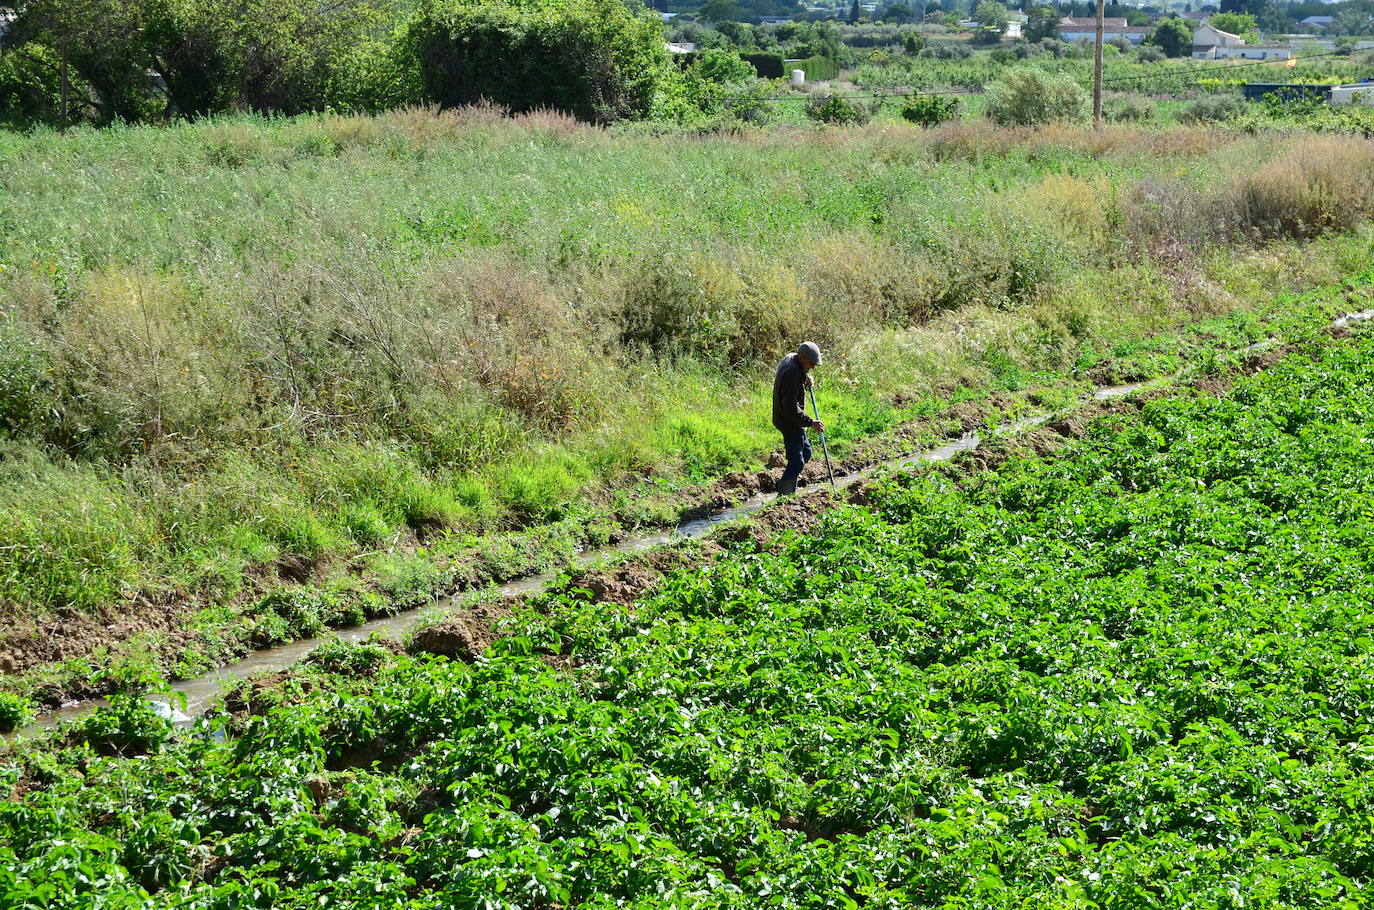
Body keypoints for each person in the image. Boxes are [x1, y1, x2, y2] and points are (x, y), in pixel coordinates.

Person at [772, 341, 823, 497]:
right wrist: (810, 422)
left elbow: (798, 376)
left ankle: (789, 488)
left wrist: (806, 377)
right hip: (788, 421)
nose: (813, 367)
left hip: (792, 419)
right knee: (797, 463)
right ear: (801, 357)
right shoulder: (792, 372)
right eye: (811, 364)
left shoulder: (793, 359)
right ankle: (784, 498)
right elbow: (790, 408)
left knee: (806, 453)